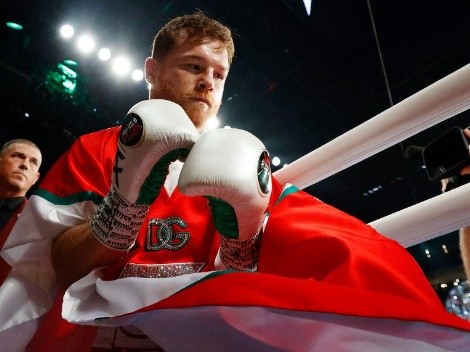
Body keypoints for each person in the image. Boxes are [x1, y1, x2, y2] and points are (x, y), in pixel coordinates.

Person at [1, 11, 470, 352]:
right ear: (151, 71)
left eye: (218, 73)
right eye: (192, 66)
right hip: (95, 340)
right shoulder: (95, 149)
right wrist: (122, 208)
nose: (208, 82)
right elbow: (49, 269)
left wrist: (243, 234)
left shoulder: (244, 159)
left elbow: (302, 257)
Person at [0, 139, 41, 283]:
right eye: (18, 156)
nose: (24, 165)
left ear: (36, 178)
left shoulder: (38, 226)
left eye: (33, 162)